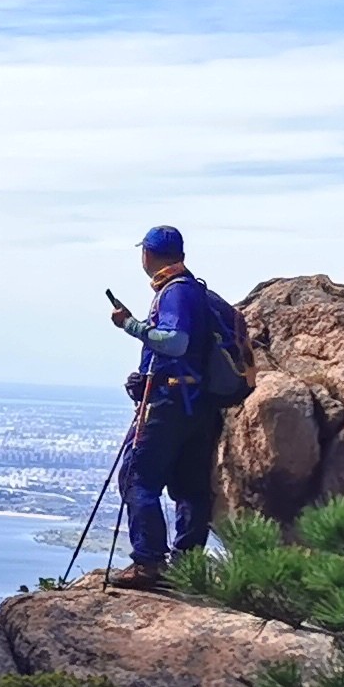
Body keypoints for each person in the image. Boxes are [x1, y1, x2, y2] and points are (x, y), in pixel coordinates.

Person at [109, 224, 240, 588]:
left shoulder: (175, 293)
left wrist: (131, 325)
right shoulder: (195, 290)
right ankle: (186, 566)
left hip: (170, 402)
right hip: (198, 405)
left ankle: (149, 563)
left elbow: (176, 342)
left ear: (147, 255)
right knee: (189, 486)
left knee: (138, 478)